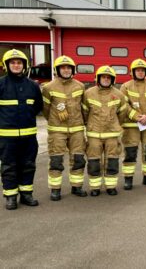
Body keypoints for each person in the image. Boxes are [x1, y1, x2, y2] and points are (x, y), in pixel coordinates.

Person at [82, 66, 136, 196]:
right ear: (98, 78)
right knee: (94, 161)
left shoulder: (118, 94)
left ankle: (110, 186)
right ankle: (95, 188)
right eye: (103, 77)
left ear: (112, 79)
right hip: (94, 134)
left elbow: (122, 113)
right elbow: (84, 112)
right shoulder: (88, 93)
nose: (106, 79)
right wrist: (89, 125)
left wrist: (115, 125)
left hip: (112, 134)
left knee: (112, 160)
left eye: (108, 77)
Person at [0, 49, 43, 210]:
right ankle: (11, 196)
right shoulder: (1, 84)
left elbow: (38, 106)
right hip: (6, 137)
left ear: (24, 65)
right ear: (7, 65)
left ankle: (26, 194)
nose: (16, 65)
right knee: (9, 166)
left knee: (28, 165)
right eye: (13, 62)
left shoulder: (32, 86)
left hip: (29, 136)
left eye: (19, 63)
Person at [42, 55, 87, 201]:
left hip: (77, 129)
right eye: (63, 67)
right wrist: (55, 121)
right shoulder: (48, 87)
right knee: (56, 160)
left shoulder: (80, 86)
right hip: (57, 130)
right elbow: (46, 109)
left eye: (68, 67)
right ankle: (55, 189)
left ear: (72, 69)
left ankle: (77, 186)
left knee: (78, 159)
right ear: (57, 70)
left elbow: (84, 108)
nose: (66, 70)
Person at [120, 59, 146, 190]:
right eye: (138, 70)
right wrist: (137, 117)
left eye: (143, 70)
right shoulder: (125, 86)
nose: (141, 72)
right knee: (130, 153)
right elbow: (123, 105)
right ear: (133, 72)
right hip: (131, 126)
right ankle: (128, 179)